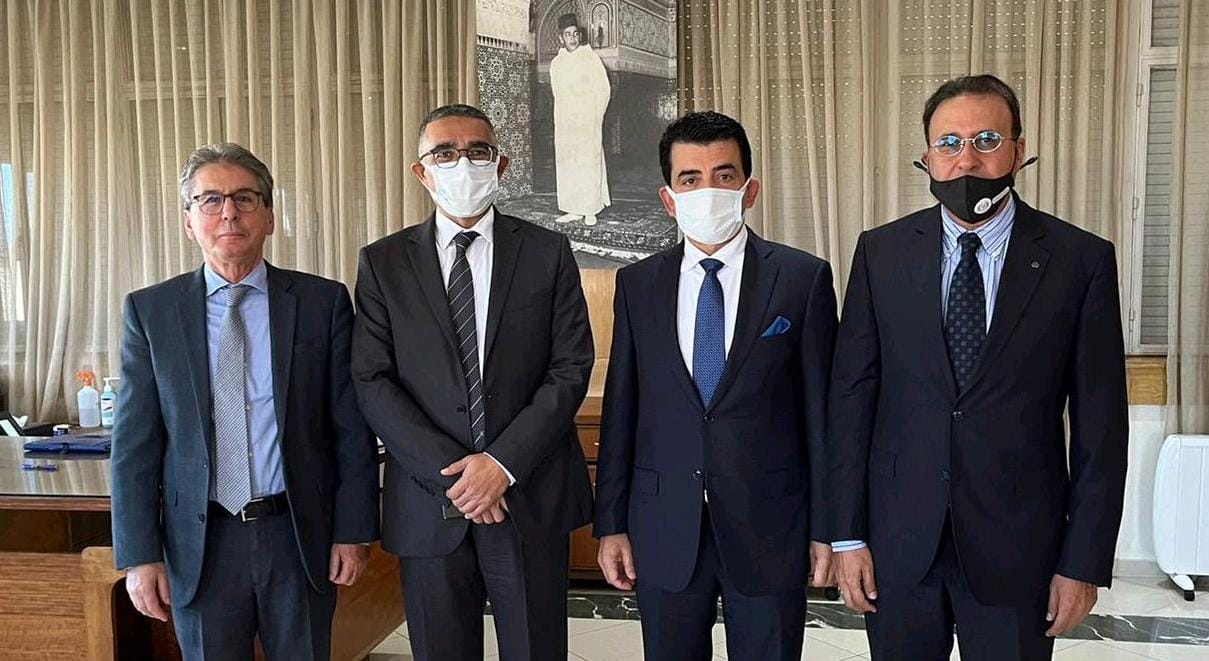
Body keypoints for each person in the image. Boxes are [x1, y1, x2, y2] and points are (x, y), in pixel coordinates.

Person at [830, 74, 1129, 660]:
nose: (966, 159)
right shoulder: (881, 253)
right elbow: (851, 401)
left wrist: (1083, 561)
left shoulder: (1079, 260)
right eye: (949, 142)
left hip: (1020, 547)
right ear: (927, 157)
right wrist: (847, 535)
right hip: (898, 545)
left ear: (1019, 149)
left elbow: (1101, 426)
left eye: (986, 140)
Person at [111, 143, 379, 660]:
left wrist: (354, 531)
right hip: (200, 543)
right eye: (210, 200)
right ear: (189, 221)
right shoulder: (151, 312)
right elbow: (134, 446)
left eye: (244, 198)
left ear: (269, 217)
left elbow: (350, 428)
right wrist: (140, 555)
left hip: (297, 535)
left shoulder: (321, 303)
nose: (228, 212)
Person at [351, 104, 595, 661]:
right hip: (429, 500)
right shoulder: (383, 263)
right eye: (445, 153)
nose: (462, 164)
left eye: (476, 151)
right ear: (422, 171)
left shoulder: (548, 252)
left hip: (529, 496)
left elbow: (570, 366)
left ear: (500, 164)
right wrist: (461, 478)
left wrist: (500, 465)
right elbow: (372, 378)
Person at [593, 110, 838, 661]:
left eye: (724, 175)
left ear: (749, 190)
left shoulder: (801, 279)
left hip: (770, 524)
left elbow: (822, 416)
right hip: (662, 524)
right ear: (668, 198)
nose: (708, 190)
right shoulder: (638, 285)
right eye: (690, 179)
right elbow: (623, 410)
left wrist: (828, 529)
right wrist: (611, 524)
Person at [550, 12, 611, 227]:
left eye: (575, 34)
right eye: (568, 34)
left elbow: (603, 89)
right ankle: (573, 208)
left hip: (587, 120)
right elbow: (558, 94)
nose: (573, 38)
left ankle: (590, 209)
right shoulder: (556, 63)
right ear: (561, 38)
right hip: (566, 123)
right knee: (568, 163)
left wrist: (594, 115)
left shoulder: (590, 58)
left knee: (587, 163)